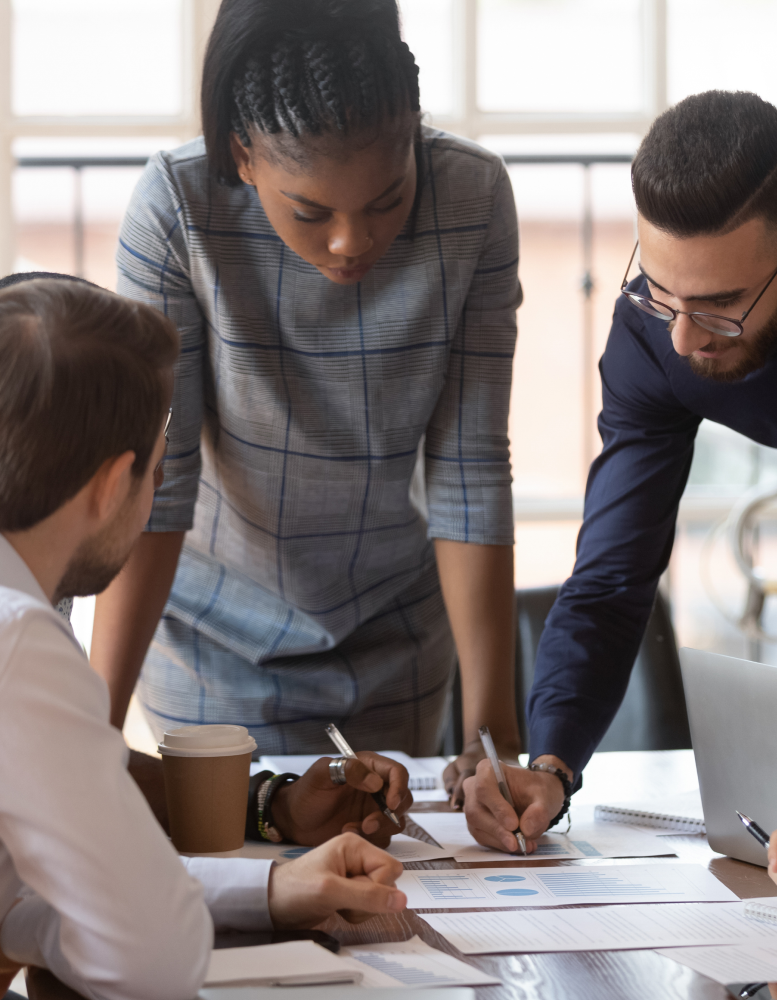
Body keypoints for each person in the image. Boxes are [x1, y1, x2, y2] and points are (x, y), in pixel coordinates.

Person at [90, 0, 523, 804]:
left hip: (397, 634)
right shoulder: (178, 208)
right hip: (214, 645)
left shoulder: (471, 198)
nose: (351, 242)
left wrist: (491, 736)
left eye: (388, 200)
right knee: (245, 868)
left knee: (391, 890)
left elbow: (469, 471)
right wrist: (93, 729)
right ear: (242, 156)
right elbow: (160, 480)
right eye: (311, 212)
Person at [0, 278, 408, 1000]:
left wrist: (271, 887)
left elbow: (42, 884)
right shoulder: (20, 641)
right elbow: (150, 956)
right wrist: (38, 924)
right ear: (110, 484)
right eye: (158, 472)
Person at [463, 89, 777, 852]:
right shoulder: (653, 336)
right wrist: (552, 762)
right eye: (660, 289)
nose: (680, 338)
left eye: (719, 306)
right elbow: (609, 578)